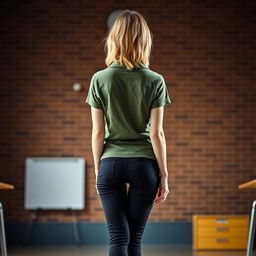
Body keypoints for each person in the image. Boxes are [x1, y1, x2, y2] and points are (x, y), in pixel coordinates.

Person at [85, 9, 172, 256]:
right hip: (144, 165)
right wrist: (164, 175)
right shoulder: (155, 80)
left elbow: (97, 132)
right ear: (145, 41)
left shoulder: (100, 79)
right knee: (134, 239)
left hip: (110, 162)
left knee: (117, 237)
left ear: (114, 39)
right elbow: (157, 133)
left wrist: (98, 168)